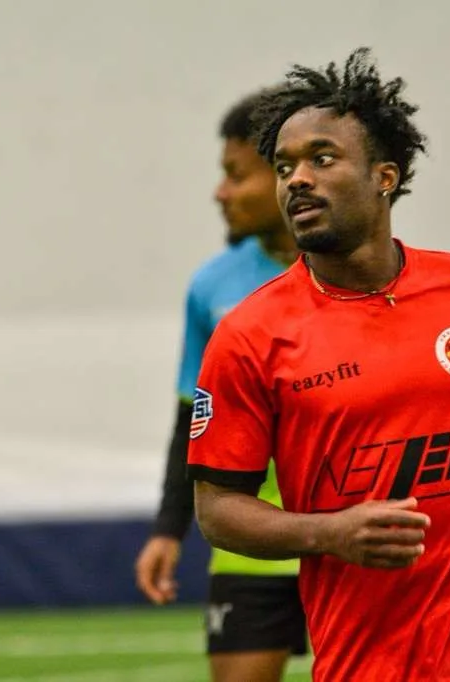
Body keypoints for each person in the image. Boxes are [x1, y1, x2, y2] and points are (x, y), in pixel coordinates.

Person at [188, 48, 450, 682]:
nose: (296, 179)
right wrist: (329, 533)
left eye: (322, 158)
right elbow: (219, 509)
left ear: (384, 176)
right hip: (368, 657)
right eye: (284, 166)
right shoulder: (248, 334)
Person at [134, 88, 308, 682]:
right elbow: (194, 418)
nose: (220, 192)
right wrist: (168, 530)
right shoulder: (212, 287)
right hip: (249, 548)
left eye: (236, 175)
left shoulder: (363, 274)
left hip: (355, 541)